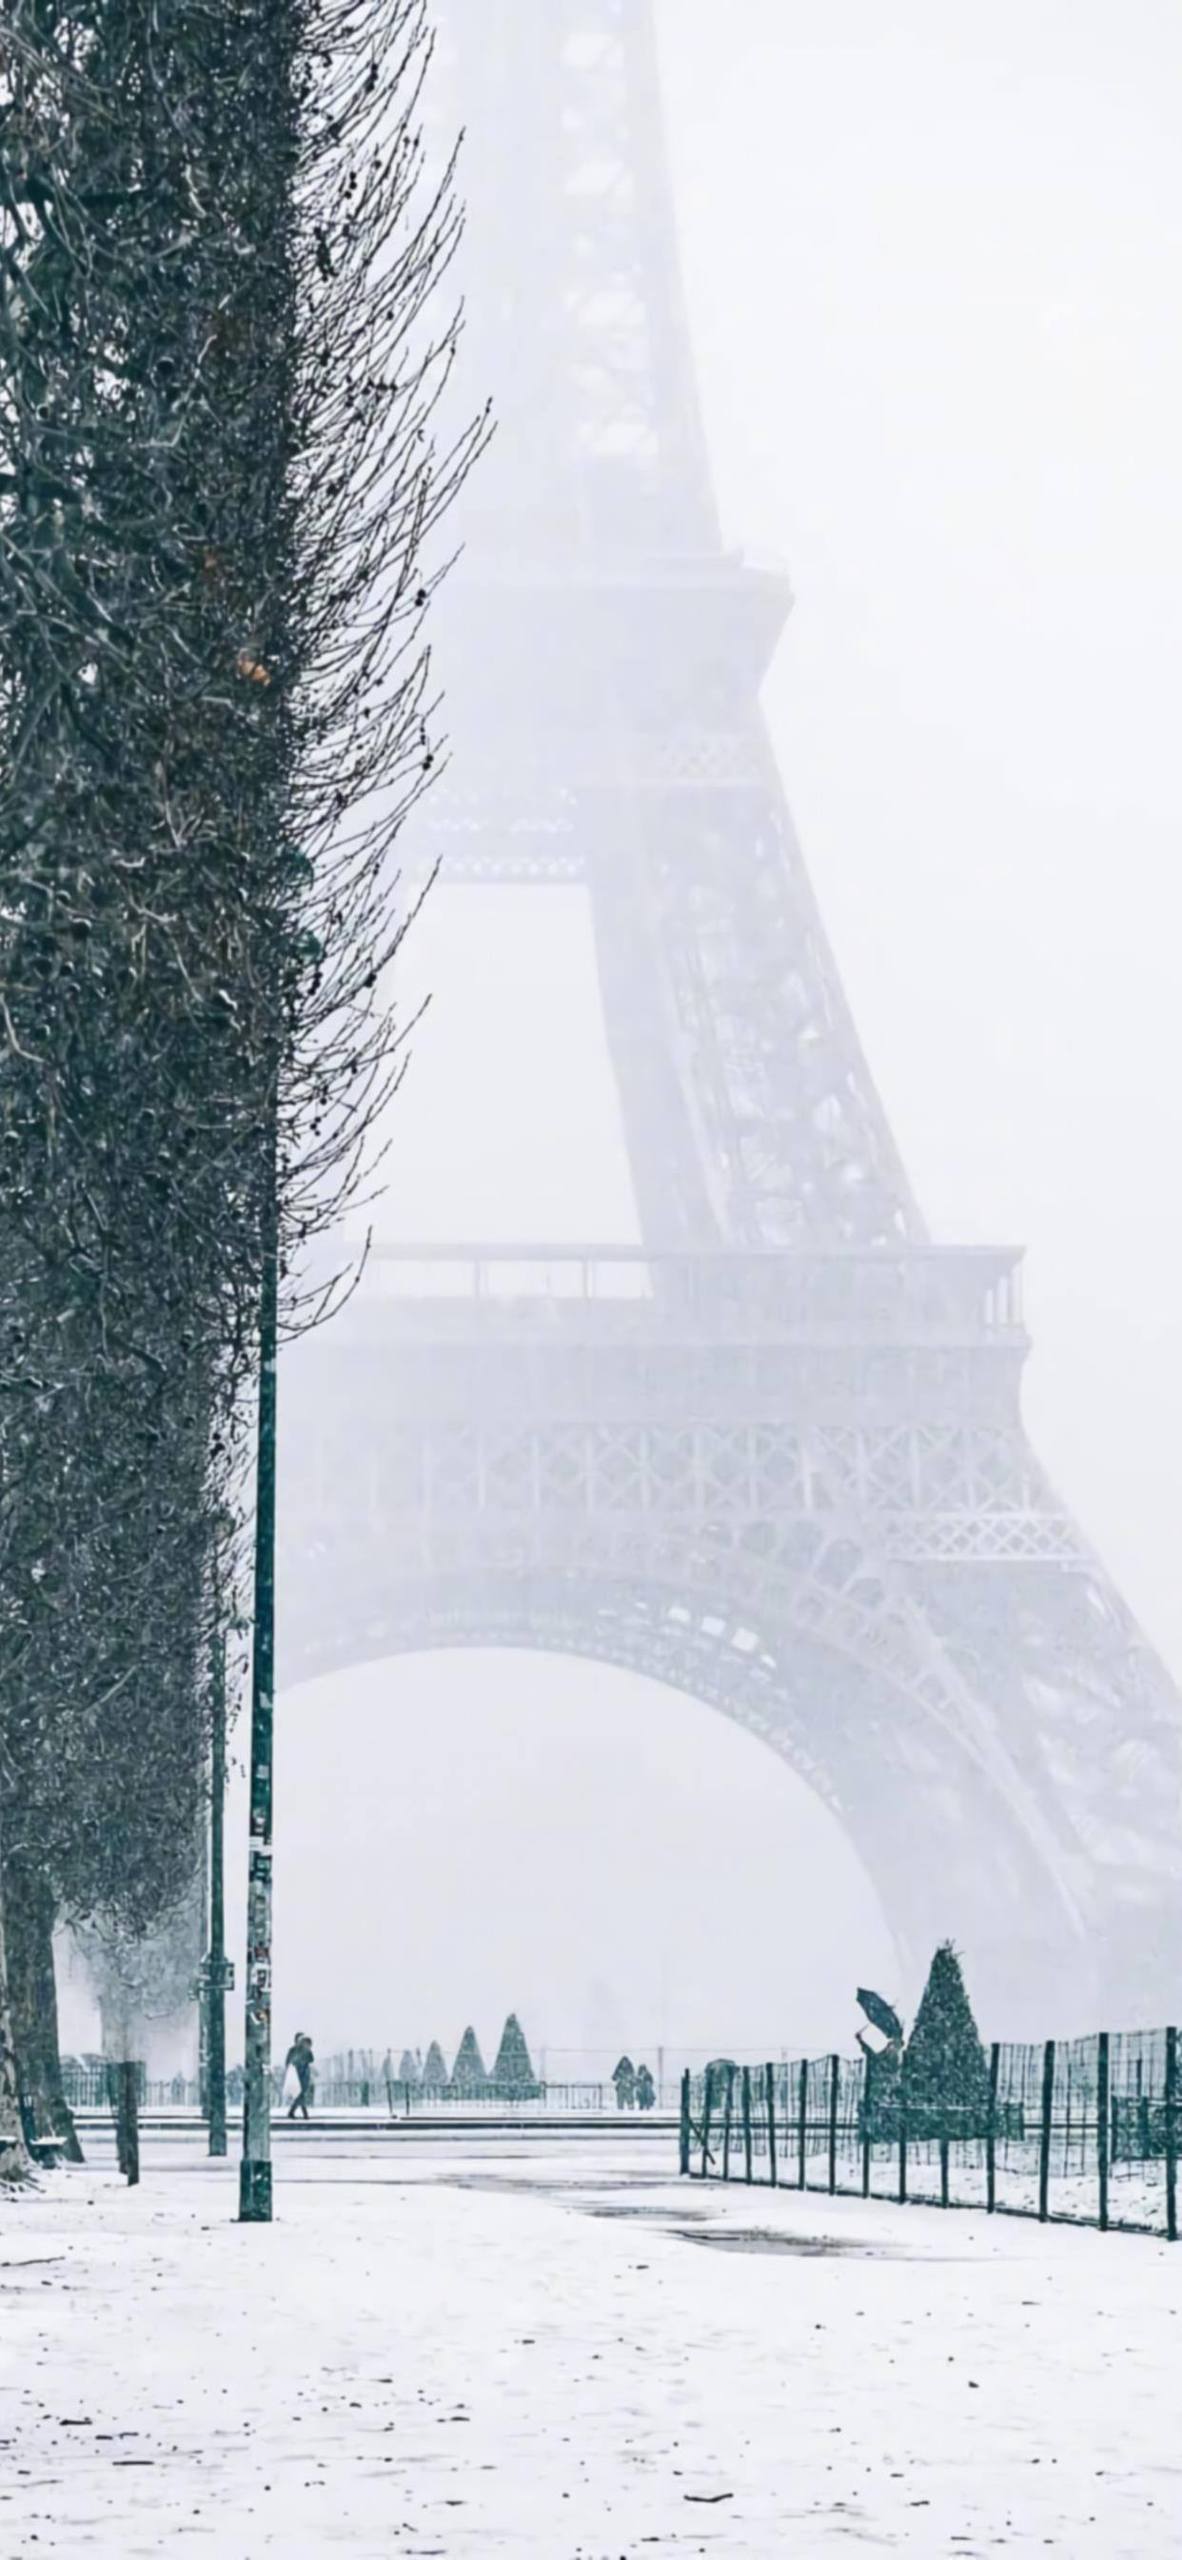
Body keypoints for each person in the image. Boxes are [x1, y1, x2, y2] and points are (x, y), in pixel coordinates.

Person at [285, 2031, 314, 2122]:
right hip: (296, 2075)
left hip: (304, 2074)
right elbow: (288, 2062)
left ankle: (292, 2112)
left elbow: (311, 2059)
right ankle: (303, 2114)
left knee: (300, 2094)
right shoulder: (292, 2050)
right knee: (300, 2094)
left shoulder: (305, 2049)